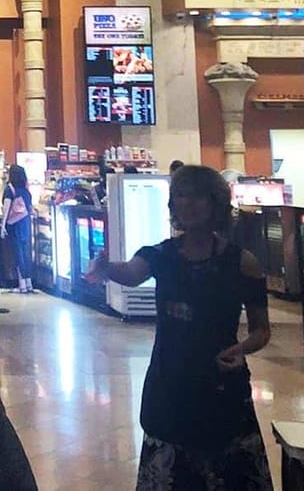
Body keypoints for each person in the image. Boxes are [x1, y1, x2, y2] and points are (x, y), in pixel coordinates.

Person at [86, 164, 273, 490]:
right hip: (171, 385)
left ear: (215, 203)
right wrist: (103, 268)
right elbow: (130, 273)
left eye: (197, 196)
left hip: (222, 389)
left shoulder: (241, 262)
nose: (187, 204)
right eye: (180, 196)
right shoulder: (161, 255)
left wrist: (241, 349)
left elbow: (261, 330)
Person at [0, 165, 34, 293]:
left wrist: (3, 226)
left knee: (17, 251)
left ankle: (22, 284)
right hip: (25, 223)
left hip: (14, 224)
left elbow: (6, 209)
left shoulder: (10, 189)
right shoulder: (26, 191)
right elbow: (30, 209)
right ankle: (28, 282)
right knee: (25, 252)